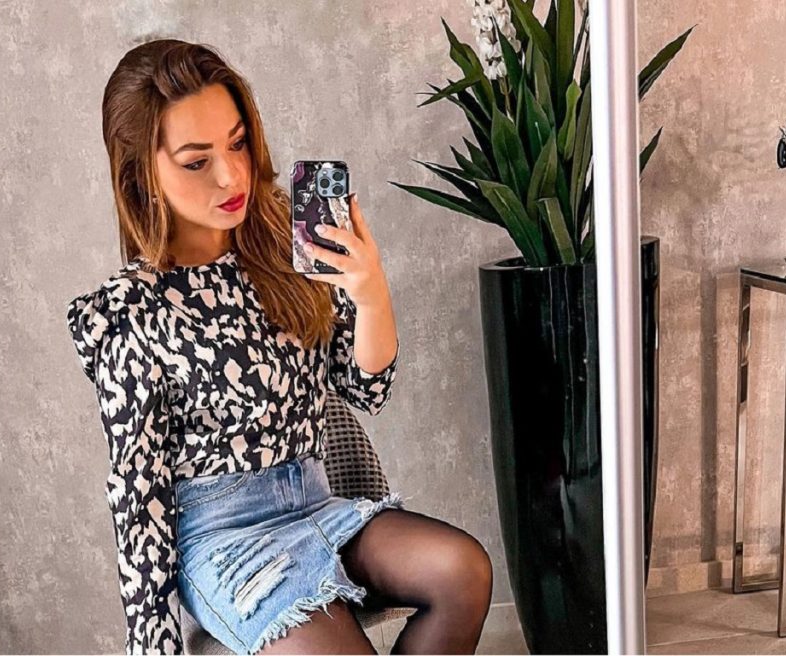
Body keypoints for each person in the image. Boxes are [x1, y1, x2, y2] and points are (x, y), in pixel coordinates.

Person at [65, 39, 492, 656]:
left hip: (317, 504)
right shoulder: (129, 314)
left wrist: (371, 294)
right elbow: (140, 501)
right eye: (196, 161)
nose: (230, 175)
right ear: (141, 176)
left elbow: (366, 388)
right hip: (224, 540)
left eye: (237, 143)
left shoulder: (282, 246)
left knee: (462, 571)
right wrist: (153, 645)